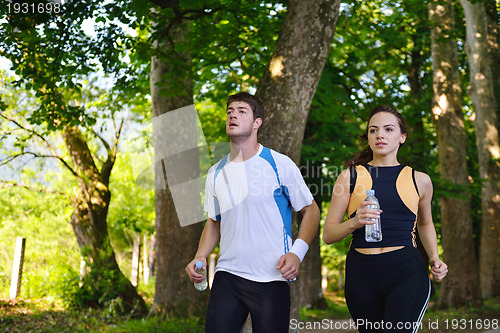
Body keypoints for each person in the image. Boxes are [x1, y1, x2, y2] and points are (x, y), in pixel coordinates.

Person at [186, 92, 320, 333]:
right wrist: (200, 256)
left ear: (257, 122)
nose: (233, 115)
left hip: (271, 277)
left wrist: (297, 254)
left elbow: (311, 211)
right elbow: (214, 222)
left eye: (241, 111)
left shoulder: (279, 164)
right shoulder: (216, 172)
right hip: (228, 275)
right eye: (229, 112)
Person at [323, 105, 448, 333]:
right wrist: (355, 221)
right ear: (368, 138)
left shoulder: (420, 180)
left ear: (402, 137)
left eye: (388, 129)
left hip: (406, 271)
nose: (380, 134)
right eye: (373, 130)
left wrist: (434, 257)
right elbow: (328, 234)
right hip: (360, 274)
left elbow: (425, 223)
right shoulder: (348, 177)